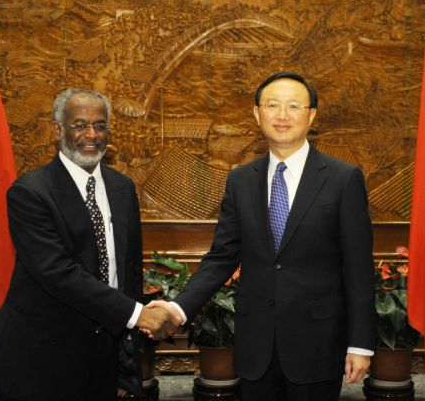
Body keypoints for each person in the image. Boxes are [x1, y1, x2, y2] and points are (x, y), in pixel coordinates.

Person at [148, 72, 376, 401]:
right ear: (257, 114)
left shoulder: (343, 179)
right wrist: (178, 309)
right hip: (256, 347)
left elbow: (358, 268)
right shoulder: (241, 180)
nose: (282, 115)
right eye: (272, 105)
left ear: (311, 115)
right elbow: (222, 257)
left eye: (294, 106)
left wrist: (360, 344)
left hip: (317, 344)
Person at [0, 89, 180, 401]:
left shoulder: (122, 188)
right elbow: (58, 273)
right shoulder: (30, 192)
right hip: (39, 362)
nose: (91, 135)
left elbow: (127, 274)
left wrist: (126, 364)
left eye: (100, 126)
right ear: (58, 130)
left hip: (103, 358)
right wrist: (138, 315)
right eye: (80, 125)